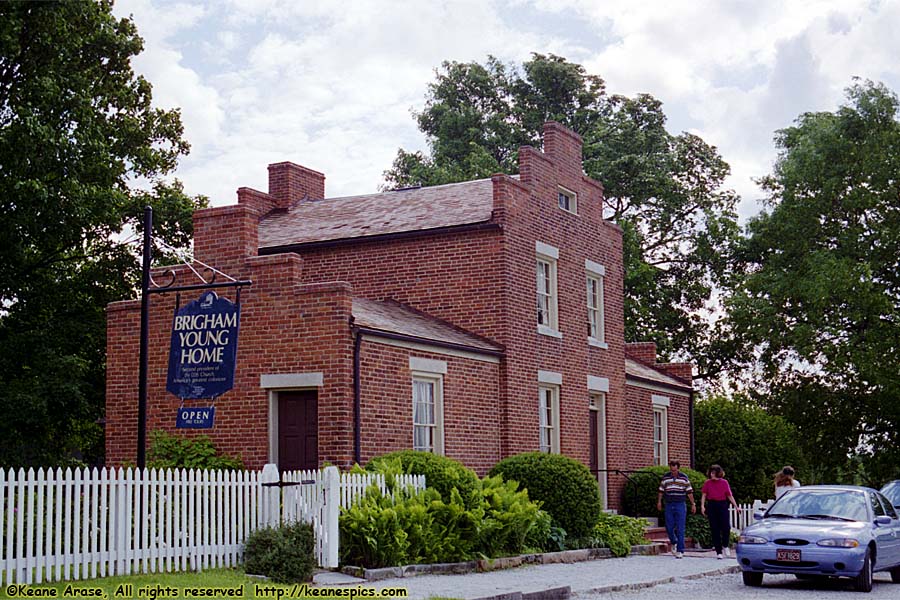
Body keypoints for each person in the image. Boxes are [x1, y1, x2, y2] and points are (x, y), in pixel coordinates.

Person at [657, 460, 696, 558]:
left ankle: (680, 550)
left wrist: (693, 504)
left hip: (680, 504)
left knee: (680, 527)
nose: (673, 472)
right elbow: (661, 490)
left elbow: (689, 492)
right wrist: (659, 502)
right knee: (669, 526)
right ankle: (674, 541)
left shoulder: (684, 478)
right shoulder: (666, 477)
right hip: (669, 504)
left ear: (678, 468)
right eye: (671, 469)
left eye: (674, 470)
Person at [701, 464, 739, 559]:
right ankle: (719, 551)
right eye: (711, 473)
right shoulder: (707, 483)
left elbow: (729, 495)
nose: (711, 475)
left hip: (722, 504)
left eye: (713, 473)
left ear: (718, 473)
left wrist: (736, 506)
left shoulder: (724, 483)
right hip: (712, 505)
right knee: (715, 528)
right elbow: (704, 495)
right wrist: (702, 506)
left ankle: (725, 545)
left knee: (726, 527)